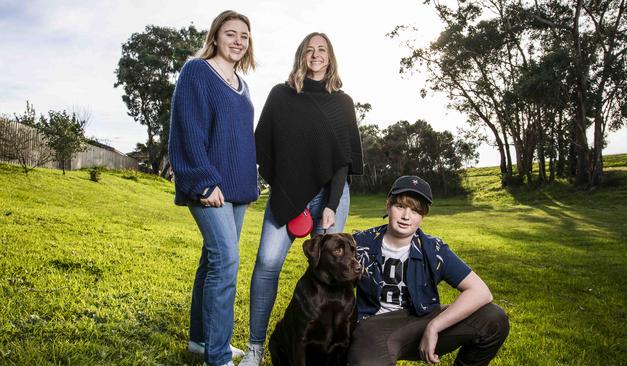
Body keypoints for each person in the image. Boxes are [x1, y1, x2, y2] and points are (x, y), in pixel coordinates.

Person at [239, 32, 363, 366]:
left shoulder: (342, 102)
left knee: (334, 270)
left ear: (330, 56)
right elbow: (262, 148)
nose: (316, 55)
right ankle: (254, 347)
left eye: (322, 50)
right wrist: (281, 190)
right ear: (300, 56)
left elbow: (343, 162)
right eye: (309, 50)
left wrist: (331, 206)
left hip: (330, 196)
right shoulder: (281, 95)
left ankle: (331, 345)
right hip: (286, 194)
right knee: (266, 263)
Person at [168, 10, 257, 366]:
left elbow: (240, 140)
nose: (238, 41)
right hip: (209, 187)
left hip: (237, 191)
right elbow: (187, 129)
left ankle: (201, 340)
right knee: (226, 262)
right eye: (231, 33)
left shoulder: (242, 83)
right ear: (216, 37)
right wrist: (203, 181)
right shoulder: (196, 71)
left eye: (244, 36)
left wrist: (251, 184)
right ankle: (217, 357)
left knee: (211, 261)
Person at [348, 176, 510, 366]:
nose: (406, 216)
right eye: (400, 206)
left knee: (493, 318)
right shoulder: (360, 243)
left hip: (420, 319)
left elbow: (480, 291)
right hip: (374, 325)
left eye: (415, 210)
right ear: (388, 205)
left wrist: (434, 326)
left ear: (423, 215)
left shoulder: (433, 249)